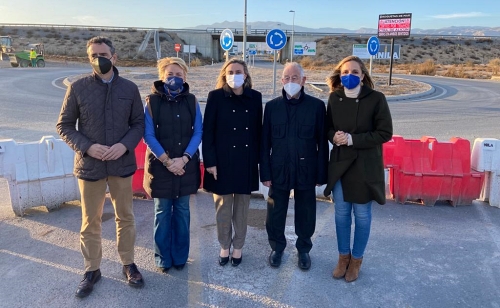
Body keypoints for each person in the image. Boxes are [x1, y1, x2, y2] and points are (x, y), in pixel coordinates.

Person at [56, 36, 145, 298]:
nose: (98, 59)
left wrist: (124, 146)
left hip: (121, 163)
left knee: (125, 217)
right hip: (90, 166)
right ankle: (92, 269)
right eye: (93, 55)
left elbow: (138, 124)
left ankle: (128, 263)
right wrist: (87, 146)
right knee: (90, 221)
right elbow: (64, 126)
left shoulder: (129, 89)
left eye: (103, 54)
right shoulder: (77, 88)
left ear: (114, 57)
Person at [323, 55, 393, 282]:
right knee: (342, 214)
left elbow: (385, 133)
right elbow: (328, 128)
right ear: (339, 76)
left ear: (363, 75)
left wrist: (353, 140)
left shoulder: (376, 99)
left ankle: (356, 260)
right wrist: (335, 136)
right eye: (345, 72)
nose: (349, 76)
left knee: (362, 215)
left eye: (354, 72)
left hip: (365, 167)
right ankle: (343, 258)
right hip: (341, 165)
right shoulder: (334, 98)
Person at [260, 62, 328, 270]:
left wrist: (320, 173)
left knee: (306, 211)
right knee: (275, 212)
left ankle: (304, 250)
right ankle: (277, 247)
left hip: (306, 170)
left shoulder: (317, 107)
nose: (291, 82)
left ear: (303, 80)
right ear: (282, 81)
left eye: (295, 78)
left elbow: (322, 143)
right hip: (279, 169)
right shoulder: (272, 107)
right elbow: (265, 143)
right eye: (287, 78)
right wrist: (265, 172)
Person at [143, 57, 202, 273]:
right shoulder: (152, 101)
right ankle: (162, 258)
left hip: (186, 166)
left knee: (183, 213)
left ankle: (180, 257)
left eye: (179, 75)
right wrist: (167, 161)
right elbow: (148, 134)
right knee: (162, 213)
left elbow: (198, 132)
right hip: (161, 167)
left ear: (185, 77)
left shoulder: (192, 101)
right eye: (170, 75)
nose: (174, 78)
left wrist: (184, 158)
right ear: (162, 76)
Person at [202, 58, 262, 267]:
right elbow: (207, 132)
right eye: (230, 72)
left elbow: (258, 132)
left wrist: (259, 163)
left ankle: (238, 246)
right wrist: (210, 161)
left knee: (242, 209)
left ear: (245, 74)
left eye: (238, 71)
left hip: (245, 161)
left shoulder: (255, 98)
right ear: (224, 75)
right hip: (221, 162)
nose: (234, 75)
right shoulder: (215, 97)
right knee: (223, 208)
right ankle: (224, 246)